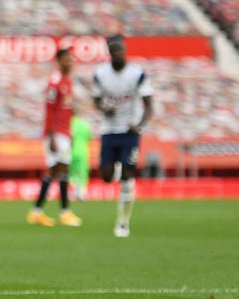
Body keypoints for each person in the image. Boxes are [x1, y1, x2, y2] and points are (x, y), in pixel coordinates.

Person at [92, 34, 153, 238]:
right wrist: (103, 109)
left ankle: (123, 222)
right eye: (114, 50)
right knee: (106, 176)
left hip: (129, 131)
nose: (118, 53)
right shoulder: (100, 74)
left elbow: (149, 105)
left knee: (127, 177)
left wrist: (140, 125)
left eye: (121, 49)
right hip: (109, 130)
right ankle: (120, 168)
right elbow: (96, 99)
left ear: (125, 50)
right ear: (110, 52)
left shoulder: (137, 73)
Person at [27, 48, 82, 227]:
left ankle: (36, 211)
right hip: (56, 133)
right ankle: (64, 213)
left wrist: (70, 132)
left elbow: (67, 110)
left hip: (64, 132)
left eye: (71, 59)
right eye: (66, 59)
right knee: (61, 169)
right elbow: (49, 109)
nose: (70, 62)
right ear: (59, 61)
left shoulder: (68, 81)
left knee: (55, 171)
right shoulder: (55, 81)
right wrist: (50, 136)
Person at [68, 108, 93, 202]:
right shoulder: (85, 124)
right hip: (82, 152)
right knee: (82, 173)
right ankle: (82, 193)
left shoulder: (69, 123)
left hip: (70, 151)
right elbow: (90, 137)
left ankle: (74, 191)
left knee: (71, 173)